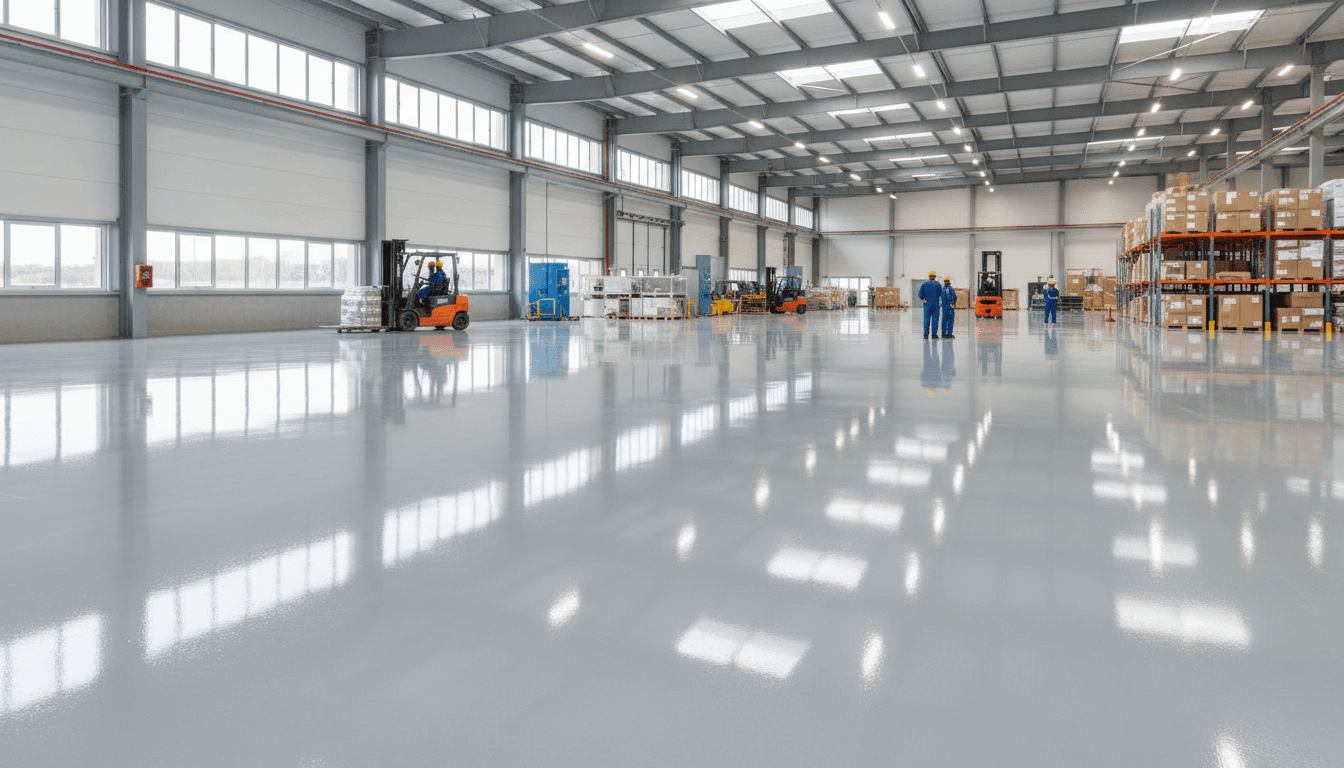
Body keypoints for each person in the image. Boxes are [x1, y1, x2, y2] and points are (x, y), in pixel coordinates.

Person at [919, 270, 942, 339]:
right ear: (935, 277)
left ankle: (926, 334)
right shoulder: (938, 284)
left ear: (929, 276)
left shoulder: (924, 284)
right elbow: (940, 293)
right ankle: (934, 334)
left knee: (926, 319)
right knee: (935, 319)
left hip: (927, 304)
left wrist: (923, 299)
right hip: (935, 304)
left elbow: (920, 293)